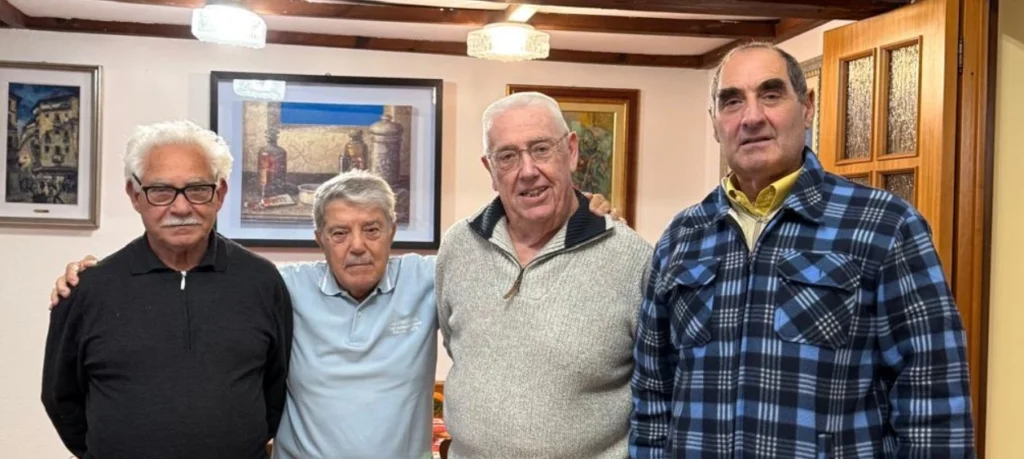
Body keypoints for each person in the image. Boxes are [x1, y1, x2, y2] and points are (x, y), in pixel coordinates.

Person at [49, 134, 620, 457]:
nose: (357, 246)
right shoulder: (276, 285)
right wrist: (89, 274)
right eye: (340, 232)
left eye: (372, 229)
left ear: (393, 232)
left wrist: (583, 212)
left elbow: (513, 255)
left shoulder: (431, 277)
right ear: (319, 238)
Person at [630, 42, 975, 458]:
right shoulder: (683, 237)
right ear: (715, 123)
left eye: (771, 95)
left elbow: (933, 396)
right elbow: (653, 393)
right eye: (732, 101)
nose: (751, 117)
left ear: (807, 107)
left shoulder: (885, 225)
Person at [41, 120, 293, 459]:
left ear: (220, 194)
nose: (181, 207)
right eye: (161, 191)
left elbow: (277, 389)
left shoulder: (261, 281)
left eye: (197, 189)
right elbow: (60, 398)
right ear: (135, 195)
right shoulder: (89, 290)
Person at [435, 91, 653, 458]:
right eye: (507, 156)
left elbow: (658, 392)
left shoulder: (632, 259)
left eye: (541, 149)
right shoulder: (458, 246)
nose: (527, 171)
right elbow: (455, 343)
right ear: (490, 169)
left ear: (572, 151)